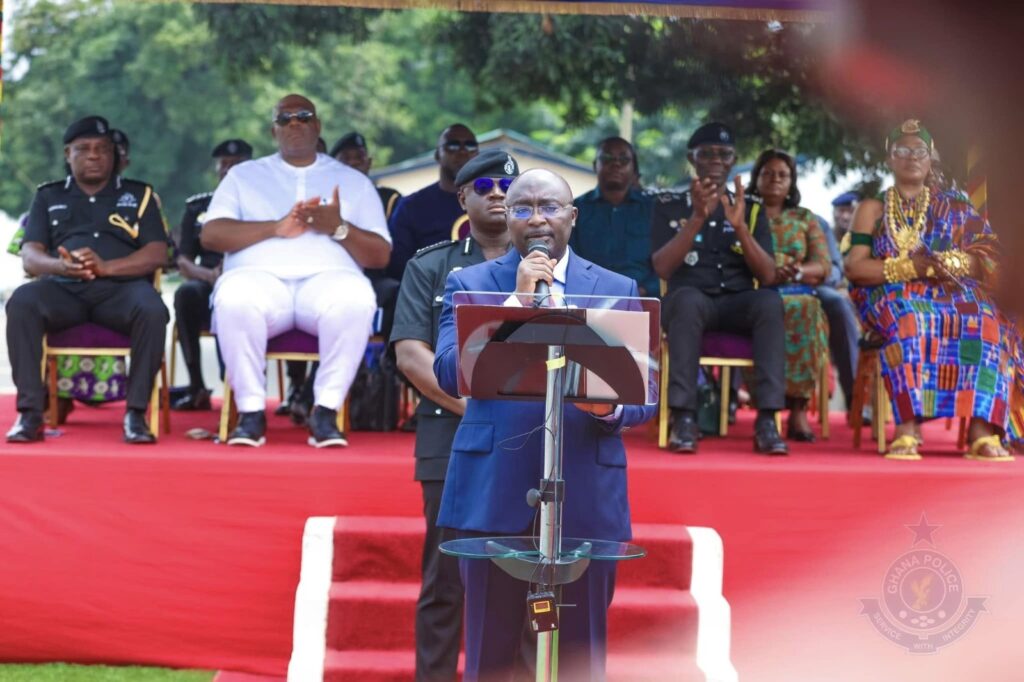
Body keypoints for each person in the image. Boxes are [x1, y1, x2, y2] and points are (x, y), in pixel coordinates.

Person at [433, 168, 657, 682]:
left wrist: (609, 409)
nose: (536, 219)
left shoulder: (616, 287)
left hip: (586, 489)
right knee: (490, 654)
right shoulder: (470, 283)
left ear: (572, 217)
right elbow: (449, 372)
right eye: (522, 208)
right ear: (506, 217)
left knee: (581, 655)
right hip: (494, 489)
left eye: (549, 207)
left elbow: (644, 391)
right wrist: (514, 304)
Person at [392, 149, 520, 682]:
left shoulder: (549, 266)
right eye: (484, 186)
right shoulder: (430, 266)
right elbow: (411, 354)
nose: (498, 194)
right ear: (463, 197)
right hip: (451, 435)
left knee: (520, 575)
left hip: (531, 439)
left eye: (507, 187)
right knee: (445, 578)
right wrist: (476, 406)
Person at [200, 94, 391, 447]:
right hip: (258, 281)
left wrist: (338, 227)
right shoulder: (244, 176)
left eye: (303, 116)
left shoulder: (352, 181)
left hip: (328, 283)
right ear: (273, 130)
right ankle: (251, 413)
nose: (294, 124)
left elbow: (380, 256)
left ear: (317, 125)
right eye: (284, 118)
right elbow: (211, 235)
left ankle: (326, 412)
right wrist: (276, 227)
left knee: (356, 299)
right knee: (234, 298)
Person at [845, 119, 1023, 461]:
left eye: (920, 151)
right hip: (892, 292)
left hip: (951, 291)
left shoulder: (955, 206)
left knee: (987, 320)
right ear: (890, 158)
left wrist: (953, 262)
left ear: (931, 159)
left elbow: (988, 256)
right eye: (902, 150)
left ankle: (982, 432)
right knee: (910, 318)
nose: (912, 157)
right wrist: (915, 268)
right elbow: (855, 267)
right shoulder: (872, 209)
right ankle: (907, 428)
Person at [5, 115, 169, 444]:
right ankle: (30, 414)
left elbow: (156, 253)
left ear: (114, 154)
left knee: (153, 309)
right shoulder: (48, 196)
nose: (93, 155)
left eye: (102, 149)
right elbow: (31, 255)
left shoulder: (140, 195)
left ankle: (136, 414)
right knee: (22, 302)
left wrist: (107, 267)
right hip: (64, 291)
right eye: (83, 149)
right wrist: (60, 266)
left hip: (121, 291)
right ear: (68, 154)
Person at [651, 122, 788, 455]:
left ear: (734, 160)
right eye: (707, 153)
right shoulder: (668, 204)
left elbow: (768, 274)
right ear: (692, 158)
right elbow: (662, 268)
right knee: (686, 302)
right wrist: (696, 218)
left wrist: (741, 228)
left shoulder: (750, 207)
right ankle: (684, 418)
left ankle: (767, 421)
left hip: (737, 302)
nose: (716, 160)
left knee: (770, 302)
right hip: (691, 300)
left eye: (724, 154)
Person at [747, 149, 831, 441]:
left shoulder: (804, 217)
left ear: (792, 181)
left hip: (796, 289)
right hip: (754, 291)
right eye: (768, 173)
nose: (775, 179)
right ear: (756, 178)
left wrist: (793, 272)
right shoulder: (745, 214)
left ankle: (798, 407)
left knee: (806, 308)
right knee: (767, 307)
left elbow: (823, 265)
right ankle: (763, 405)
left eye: (783, 175)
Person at [172, 138, 253, 411]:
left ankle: (293, 390)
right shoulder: (199, 207)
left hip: (251, 281)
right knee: (185, 293)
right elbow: (183, 261)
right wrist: (209, 276)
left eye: (237, 164)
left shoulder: (263, 205)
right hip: (208, 281)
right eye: (224, 164)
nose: (229, 170)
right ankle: (196, 385)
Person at [386, 124, 478, 280]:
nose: (463, 151)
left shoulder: (495, 201)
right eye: (453, 145)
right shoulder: (412, 207)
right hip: (429, 287)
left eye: (470, 145)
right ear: (437, 155)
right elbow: (398, 266)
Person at [569, 136, 658, 296]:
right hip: (589, 298)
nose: (616, 164)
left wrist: (644, 290)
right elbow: (569, 259)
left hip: (643, 299)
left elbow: (665, 263)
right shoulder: (576, 209)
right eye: (607, 158)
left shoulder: (653, 209)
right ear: (595, 165)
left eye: (624, 159)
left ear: (634, 168)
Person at [816, 191, 862, 413]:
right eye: (841, 211)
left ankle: (858, 398)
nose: (845, 216)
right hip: (829, 298)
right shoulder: (824, 232)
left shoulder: (867, 238)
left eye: (850, 211)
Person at [331, 132, 403, 221]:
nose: (353, 162)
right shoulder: (327, 203)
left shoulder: (390, 199)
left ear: (369, 163)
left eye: (359, 157)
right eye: (345, 158)